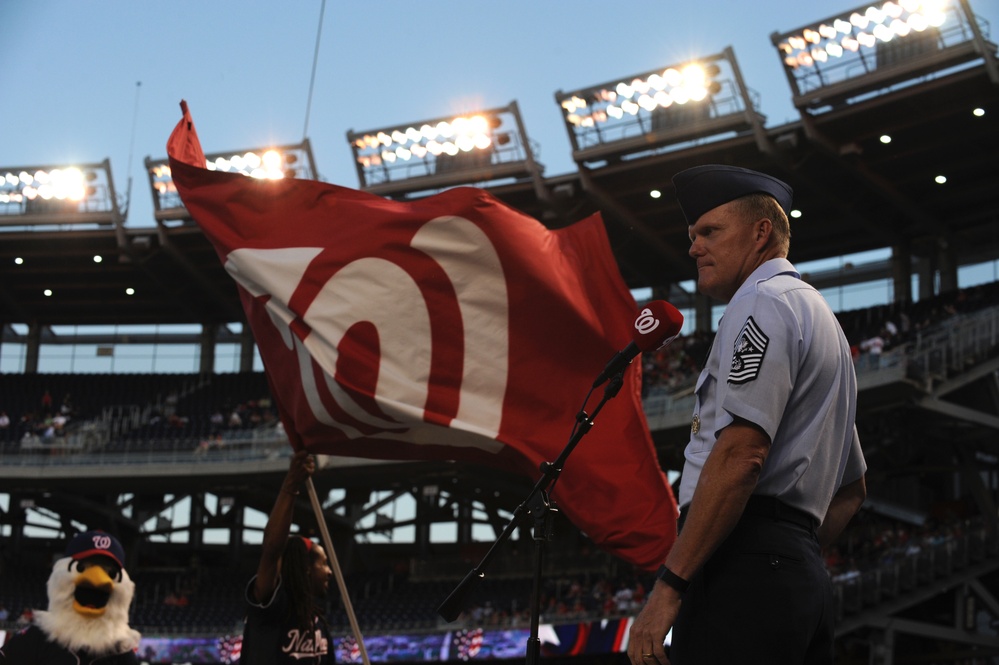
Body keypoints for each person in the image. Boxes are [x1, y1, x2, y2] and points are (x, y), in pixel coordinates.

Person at [628, 165, 867, 665]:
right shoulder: (822, 318)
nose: (694, 247)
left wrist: (671, 585)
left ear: (761, 233)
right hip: (796, 571)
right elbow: (850, 490)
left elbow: (740, 455)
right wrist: (787, 553)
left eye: (710, 231)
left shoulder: (760, 302)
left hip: (742, 562)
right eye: (693, 235)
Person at [241, 450, 334, 663]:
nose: (330, 572)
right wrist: (291, 484)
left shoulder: (319, 623)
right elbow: (272, 550)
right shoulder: (272, 605)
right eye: (324, 564)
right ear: (306, 568)